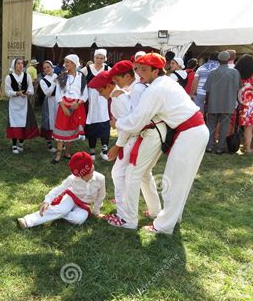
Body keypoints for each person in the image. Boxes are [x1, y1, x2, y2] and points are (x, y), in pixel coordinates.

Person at [115, 53, 209, 235]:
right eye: (137, 69)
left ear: (155, 71)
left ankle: (163, 226)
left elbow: (137, 120)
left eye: (143, 70)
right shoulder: (165, 82)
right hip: (193, 131)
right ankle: (172, 217)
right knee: (180, 180)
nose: (139, 73)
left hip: (190, 133)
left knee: (174, 181)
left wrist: (117, 123)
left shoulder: (155, 89)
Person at [91, 61, 164, 230]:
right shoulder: (122, 94)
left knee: (119, 174)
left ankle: (125, 216)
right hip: (140, 137)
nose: (100, 94)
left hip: (134, 139)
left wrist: (118, 145)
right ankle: (152, 210)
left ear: (110, 86)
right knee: (141, 174)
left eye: (101, 90)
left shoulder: (120, 97)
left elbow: (131, 126)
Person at [17, 152, 106, 228]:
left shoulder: (100, 178)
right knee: (62, 210)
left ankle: (58, 213)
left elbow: (101, 196)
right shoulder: (72, 179)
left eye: (91, 166)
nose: (92, 169)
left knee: (78, 220)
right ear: (80, 175)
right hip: (72, 197)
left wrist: (96, 211)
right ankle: (28, 221)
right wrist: (47, 201)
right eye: (89, 171)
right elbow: (59, 189)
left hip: (85, 204)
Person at [51, 54, 88, 164]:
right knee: (62, 128)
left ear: (74, 63)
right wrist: (63, 107)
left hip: (77, 105)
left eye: (68, 62)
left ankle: (67, 152)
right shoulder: (62, 76)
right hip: (64, 105)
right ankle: (58, 154)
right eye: (65, 62)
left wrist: (78, 103)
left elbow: (84, 93)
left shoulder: (81, 77)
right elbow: (58, 93)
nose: (65, 64)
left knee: (73, 129)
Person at [203, 51, 241, 154]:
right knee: (224, 126)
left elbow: (207, 90)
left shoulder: (213, 72)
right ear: (229, 60)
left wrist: (206, 102)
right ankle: (220, 147)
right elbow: (238, 89)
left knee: (210, 125)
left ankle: (209, 147)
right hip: (228, 103)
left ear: (218, 60)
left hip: (213, 103)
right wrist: (238, 102)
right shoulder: (235, 72)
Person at [5, 58, 40, 153]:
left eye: (22, 64)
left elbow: (31, 89)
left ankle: (21, 143)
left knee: (23, 122)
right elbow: (7, 92)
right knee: (14, 123)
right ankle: (14, 145)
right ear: (14, 65)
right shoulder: (9, 77)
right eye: (18, 63)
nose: (21, 65)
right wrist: (16, 93)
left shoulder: (27, 76)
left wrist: (27, 92)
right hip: (14, 104)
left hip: (24, 103)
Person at [81, 49, 110, 161]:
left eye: (101, 58)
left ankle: (104, 150)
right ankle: (92, 151)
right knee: (92, 124)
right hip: (91, 100)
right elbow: (77, 76)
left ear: (105, 59)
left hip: (103, 99)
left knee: (104, 122)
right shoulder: (87, 69)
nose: (99, 60)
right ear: (94, 58)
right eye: (97, 57)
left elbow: (116, 79)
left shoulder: (107, 69)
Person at [235, 54, 253, 153]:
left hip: (238, 100)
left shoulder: (237, 71)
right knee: (249, 127)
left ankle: (230, 145)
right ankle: (248, 147)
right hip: (251, 102)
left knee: (234, 124)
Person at [39, 60, 58, 152]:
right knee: (50, 121)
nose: (47, 69)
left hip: (59, 101)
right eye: (45, 68)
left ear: (52, 67)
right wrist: (54, 83)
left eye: (48, 67)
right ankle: (49, 143)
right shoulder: (43, 80)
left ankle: (59, 141)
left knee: (58, 120)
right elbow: (48, 93)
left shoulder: (57, 76)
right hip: (50, 101)